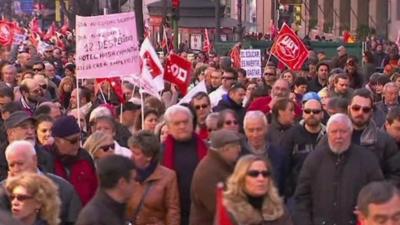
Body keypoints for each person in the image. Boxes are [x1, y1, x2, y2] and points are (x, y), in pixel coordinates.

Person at [294, 113, 384, 225]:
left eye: (343, 131)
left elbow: (379, 195)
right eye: (334, 131)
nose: (338, 136)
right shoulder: (314, 159)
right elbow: (302, 198)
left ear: (350, 133)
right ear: (327, 134)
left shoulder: (366, 159)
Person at [4, 140, 82, 225]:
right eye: (12, 165)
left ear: (34, 160)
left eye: (20, 163)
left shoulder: (63, 189)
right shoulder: (2, 192)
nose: (16, 169)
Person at [162, 105, 208, 225]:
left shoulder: (207, 149)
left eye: (185, 122)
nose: (182, 126)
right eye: (177, 123)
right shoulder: (159, 153)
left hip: (203, 212)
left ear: (192, 123)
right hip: (173, 214)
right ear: (169, 127)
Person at [126, 131, 180, 225]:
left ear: (149, 156)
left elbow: (172, 211)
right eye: (131, 152)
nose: (131, 157)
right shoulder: (126, 173)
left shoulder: (168, 176)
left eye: (136, 154)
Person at [347, 88, 400, 184]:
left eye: (366, 109)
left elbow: (395, 175)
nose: (360, 112)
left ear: (371, 112)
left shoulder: (385, 142)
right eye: (356, 108)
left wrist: (379, 193)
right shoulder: (333, 136)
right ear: (349, 109)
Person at [190, 129, 242, 225]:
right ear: (225, 149)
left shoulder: (224, 164)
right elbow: (222, 209)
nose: (239, 150)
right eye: (236, 146)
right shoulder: (207, 173)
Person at [222, 154, 293, 225]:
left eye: (265, 174)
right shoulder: (229, 210)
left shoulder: (278, 208)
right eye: (254, 174)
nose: (261, 179)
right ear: (241, 178)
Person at [283, 99, 326, 199]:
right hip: (297, 193)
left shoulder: (329, 135)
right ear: (303, 113)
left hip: (322, 193)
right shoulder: (291, 135)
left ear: (322, 114)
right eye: (307, 111)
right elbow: (284, 165)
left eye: (316, 112)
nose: (311, 114)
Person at [76, 155, 136, 225]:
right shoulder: (94, 217)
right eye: (134, 179)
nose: (136, 183)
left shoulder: (119, 209)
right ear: (122, 183)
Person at [52, 116, 98, 205]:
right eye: (73, 141)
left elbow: (95, 191)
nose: (77, 144)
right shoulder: (46, 159)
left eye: (79, 139)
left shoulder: (85, 158)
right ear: (57, 141)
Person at [241, 110, 289, 195]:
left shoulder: (279, 155)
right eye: (251, 130)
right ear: (245, 130)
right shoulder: (238, 155)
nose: (255, 134)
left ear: (266, 128)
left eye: (259, 129)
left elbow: (285, 186)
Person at [0, 111, 54, 181]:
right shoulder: (1, 158)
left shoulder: (46, 157)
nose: (30, 132)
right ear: (10, 133)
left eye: (32, 128)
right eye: (24, 127)